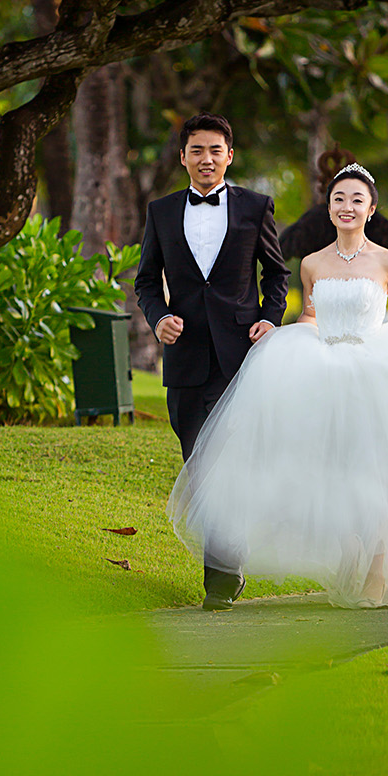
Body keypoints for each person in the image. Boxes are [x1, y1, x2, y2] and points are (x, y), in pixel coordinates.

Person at [168, 163, 388, 609]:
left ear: (371, 209)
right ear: (329, 206)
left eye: (357, 200)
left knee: (387, 472)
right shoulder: (312, 263)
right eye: (339, 199)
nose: (347, 207)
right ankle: (349, 560)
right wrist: (288, 339)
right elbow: (310, 315)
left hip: (375, 363)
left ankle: (379, 571)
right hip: (324, 365)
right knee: (339, 471)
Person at [134, 113, 290, 608]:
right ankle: (228, 563)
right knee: (197, 466)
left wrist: (269, 318)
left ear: (229, 155)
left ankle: (220, 580)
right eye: (196, 150)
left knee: (226, 463)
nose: (206, 159)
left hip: (237, 356)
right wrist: (158, 319)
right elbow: (144, 281)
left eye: (215, 150)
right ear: (183, 157)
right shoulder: (160, 211)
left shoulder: (255, 207)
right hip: (183, 360)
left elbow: (277, 274)